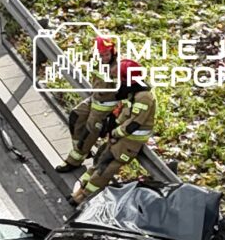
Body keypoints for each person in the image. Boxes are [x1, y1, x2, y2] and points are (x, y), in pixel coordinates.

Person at [70, 60, 156, 206]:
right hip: (120, 139)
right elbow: (124, 115)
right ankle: (80, 191)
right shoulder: (133, 93)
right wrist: (112, 130)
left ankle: (85, 198)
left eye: (120, 78)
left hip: (129, 143)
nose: (118, 82)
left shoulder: (144, 97)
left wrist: (115, 133)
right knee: (99, 162)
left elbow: (133, 124)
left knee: (106, 169)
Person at [56, 36, 119, 172]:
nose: (105, 57)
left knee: (88, 133)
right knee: (75, 116)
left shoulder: (119, 68)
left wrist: (114, 115)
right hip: (94, 99)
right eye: (101, 55)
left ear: (113, 51)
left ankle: (74, 161)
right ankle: (83, 150)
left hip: (105, 106)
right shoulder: (98, 61)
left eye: (107, 54)